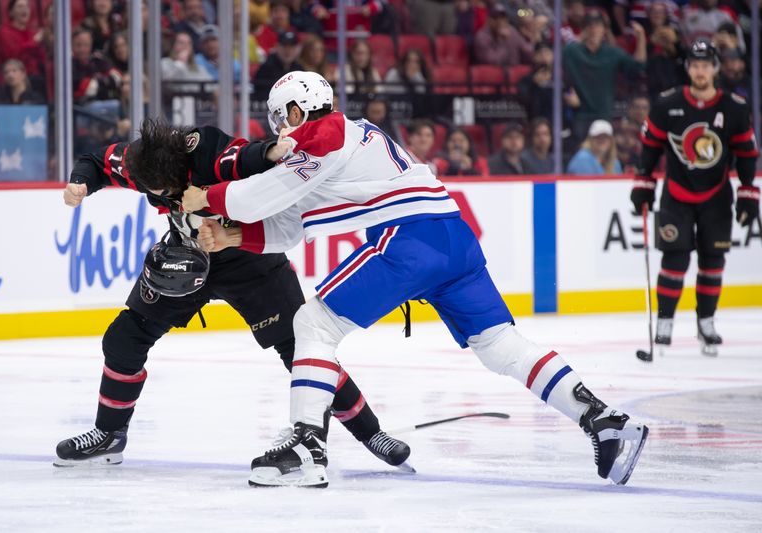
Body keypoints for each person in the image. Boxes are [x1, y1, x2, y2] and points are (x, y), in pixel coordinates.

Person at [180, 71, 649, 488]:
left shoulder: (327, 130)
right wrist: (232, 237)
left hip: (410, 239)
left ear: (299, 108)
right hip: (452, 237)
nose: (279, 131)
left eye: (281, 118)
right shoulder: (337, 146)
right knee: (499, 344)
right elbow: (290, 220)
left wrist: (206, 196)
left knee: (314, 325)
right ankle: (601, 419)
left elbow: (260, 194)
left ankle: (306, 447)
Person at [53, 119, 411, 469]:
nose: (166, 198)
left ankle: (372, 434)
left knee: (301, 349)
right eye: (158, 194)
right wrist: (79, 185)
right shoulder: (139, 161)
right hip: (185, 257)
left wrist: (273, 150)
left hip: (249, 257)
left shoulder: (206, 150)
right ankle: (108, 434)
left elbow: (245, 157)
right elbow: (96, 161)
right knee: (124, 339)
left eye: (169, 190)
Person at [630, 39, 759, 356]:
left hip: (716, 197)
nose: (700, 71)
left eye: (706, 65)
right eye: (695, 66)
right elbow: (650, 148)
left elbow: (746, 153)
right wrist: (643, 183)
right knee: (674, 258)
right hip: (677, 194)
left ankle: (706, 322)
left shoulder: (735, 108)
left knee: (713, 261)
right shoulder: (666, 104)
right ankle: (664, 323)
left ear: (714, 69)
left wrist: (748, 191)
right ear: (688, 69)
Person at [562, 10, 647, 142]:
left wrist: (641, 37)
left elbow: (637, 67)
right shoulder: (572, 51)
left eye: (598, 26)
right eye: (590, 26)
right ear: (584, 29)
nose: (594, 30)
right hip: (580, 114)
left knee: (603, 155)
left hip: (603, 114)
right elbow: (557, 66)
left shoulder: (612, 53)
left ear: (604, 30)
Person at [72, 28, 122, 104]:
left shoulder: (98, 59)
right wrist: (106, 82)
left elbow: (117, 78)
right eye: (78, 45)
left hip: (105, 104)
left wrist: (96, 83)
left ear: (91, 45)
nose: (82, 49)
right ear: (72, 46)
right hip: (80, 109)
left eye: (86, 45)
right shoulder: (70, 65)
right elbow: (85, 88)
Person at [0, 0, 44, 77]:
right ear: (11, 13)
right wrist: (34, 42)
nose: (24, 9)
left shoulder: (30, 33)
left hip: (33, 75)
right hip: (15, 76)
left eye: (27, 6)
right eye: (20, 6)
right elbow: (14, 57)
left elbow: (41, 58)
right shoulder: (5, 32)